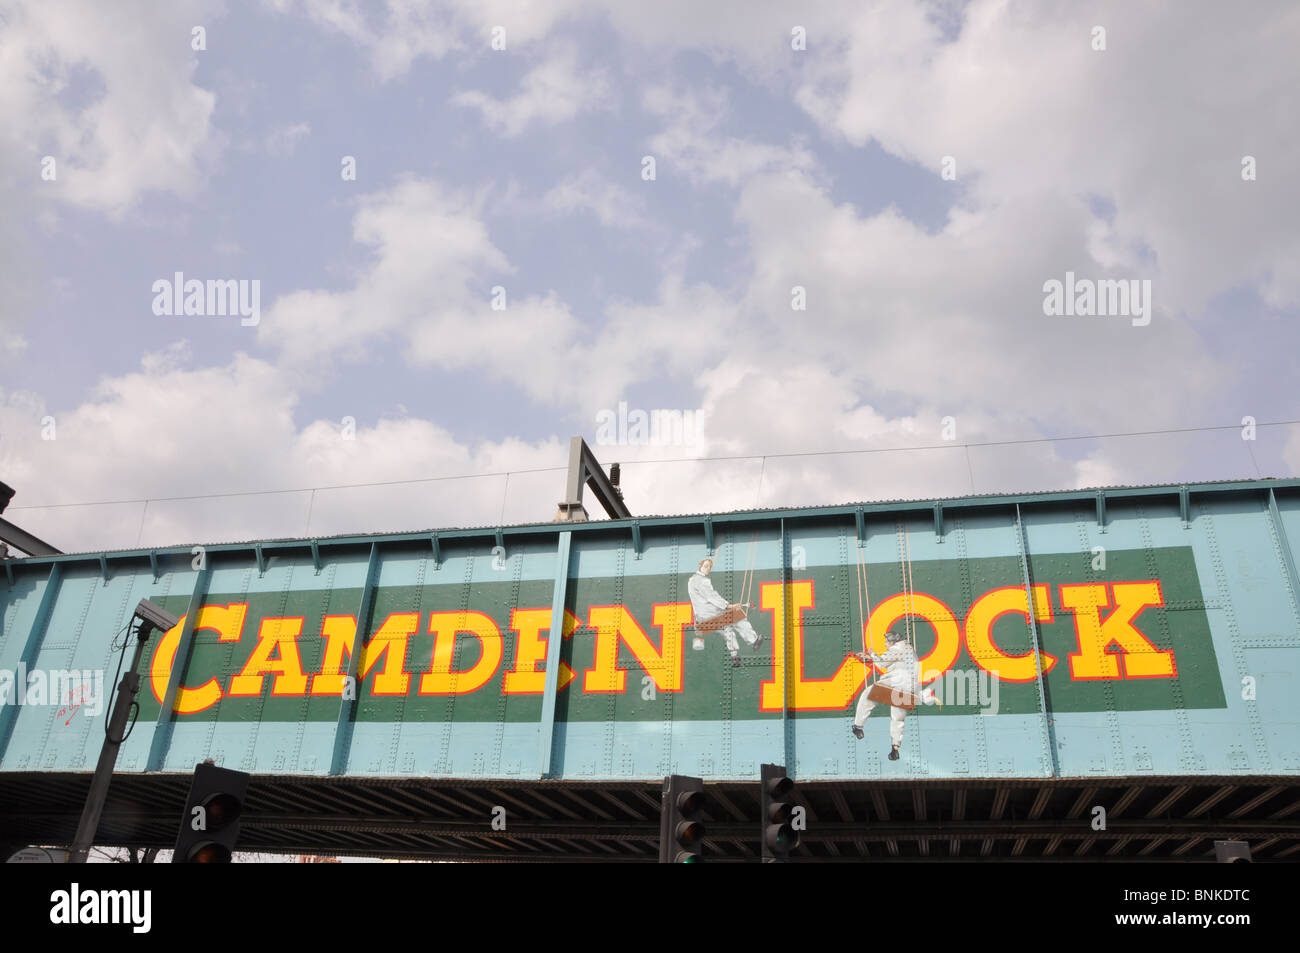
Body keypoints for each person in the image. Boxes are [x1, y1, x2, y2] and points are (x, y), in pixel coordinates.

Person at [850, 630, 939, 760]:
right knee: (898, 719)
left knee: (867, 696)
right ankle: (895, 749)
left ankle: (858, 726)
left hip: (896, 683)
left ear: (893, 642)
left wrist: (871, 653)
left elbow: (882, 663)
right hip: (910, 689)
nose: (885, 644)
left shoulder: (897, 648)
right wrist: (870, 658)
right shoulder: (909, 649)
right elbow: (895, 661)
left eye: (887, 641)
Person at [688, 557, 761, 668]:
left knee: (727, 629)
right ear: (700, 566)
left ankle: (735, 657)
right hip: (711, 616)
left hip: (702, 621)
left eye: (709, 567)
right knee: (739, 617)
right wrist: (729, 606)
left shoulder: (691, 580)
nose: (708, 569)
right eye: (705, 566)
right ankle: (754, 640)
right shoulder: (702, 581)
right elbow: (712, 596)